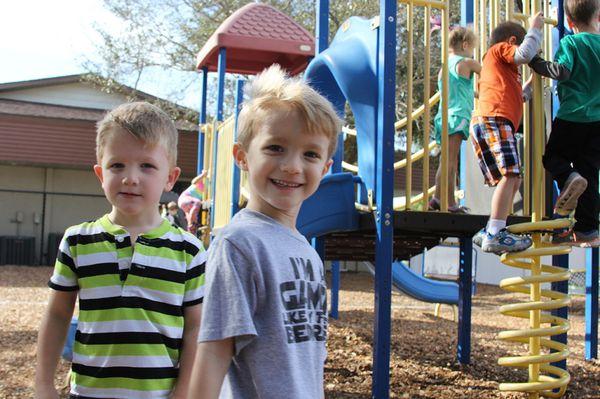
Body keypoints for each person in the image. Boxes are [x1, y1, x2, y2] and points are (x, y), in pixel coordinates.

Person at [188, 65, 341, 398]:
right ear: (242, 156)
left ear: (326, 168)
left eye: (310, 154)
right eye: (275, 148)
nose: (292, 166)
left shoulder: (306, 250)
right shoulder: (238, 244)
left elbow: (306, 356)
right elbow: (215, 349)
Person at [35, 102, 207, 399]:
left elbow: (195, 329)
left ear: (170, 177)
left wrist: (183, 392)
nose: (130, 177)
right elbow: (57, 316)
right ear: (101, 174)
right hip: (88, 393)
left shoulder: (189, 250)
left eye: (147, 165)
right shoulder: (77, 242)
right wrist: (43, 384)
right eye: (117, 165)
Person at [528, 0, 600, 247]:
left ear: (569, 22)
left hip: (573, 116)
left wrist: (536, 63)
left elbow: (562, 72)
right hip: (597, 121)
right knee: (590, 171)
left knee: (554, 158)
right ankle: (588, 230)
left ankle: (569, 177)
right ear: (598, 16)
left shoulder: (571, 41)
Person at [471, 13, 545, 254]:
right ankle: (494, 232)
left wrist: (533, 81)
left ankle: (490, 230)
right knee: (511, 175)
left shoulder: (502, 73)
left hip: (488, 121)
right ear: (512, 41)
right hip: (495, 120)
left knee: (513, 178)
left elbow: (518, 96)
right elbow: (523, 54)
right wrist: (535, 29)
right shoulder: (499, 50)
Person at [430, 27, 481, 213]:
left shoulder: (445, 66)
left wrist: (476, 94)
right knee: (451, 162)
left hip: (444, 117)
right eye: (472, 48)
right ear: (465, 45)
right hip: (458, 116)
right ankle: (450, 203)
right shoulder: (467, 63)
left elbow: (458, 89)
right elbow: (489, 75)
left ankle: (437, 197)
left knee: (446, 160)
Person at [178, 170, 207, 235]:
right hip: (185, 198)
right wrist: (203, 175)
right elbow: (193, 181)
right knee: (197, 203)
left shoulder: (205, 186)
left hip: (187, 203)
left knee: (190, 213)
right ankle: (192, 224)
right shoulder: (201, 181)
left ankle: (191, 231)